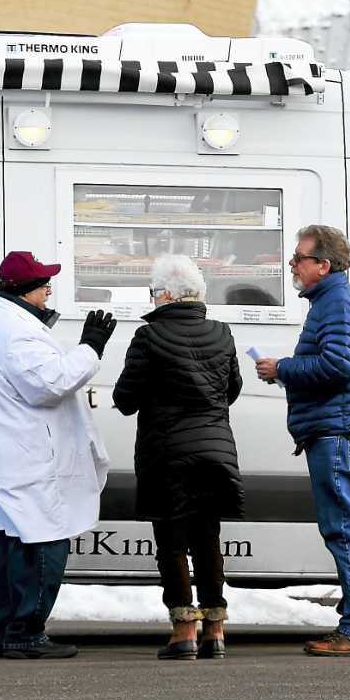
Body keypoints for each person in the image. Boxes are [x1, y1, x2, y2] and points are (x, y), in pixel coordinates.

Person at [0, 251, 115, 659]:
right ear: (23, 290)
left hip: (12, 454)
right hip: (30, 458)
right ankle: (25, 630)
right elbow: (49, 383)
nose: (49, 289)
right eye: (44, 283)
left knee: (12, 543)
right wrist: (90, 348)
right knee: (44, 540)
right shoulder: (17, 332)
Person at [254, 225, 350, 657]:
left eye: (299, 258)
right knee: (343, 528)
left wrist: (283, 369)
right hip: (340, 427)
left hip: (340, 431)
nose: (292, 265)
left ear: (322, 265)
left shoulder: (337, 302)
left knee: (343, 530)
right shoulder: (331, 301)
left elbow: (337, 364)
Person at [112, 254, 244, 661]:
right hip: (214, 450)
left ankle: (184, 630)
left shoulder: (148, 338)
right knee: (208, 538)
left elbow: (125, 399)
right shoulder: (223, 334)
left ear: (166, 295)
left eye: (154, 294)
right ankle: (215, 629)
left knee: (171, 541)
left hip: (167, 454)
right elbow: (232, 389)